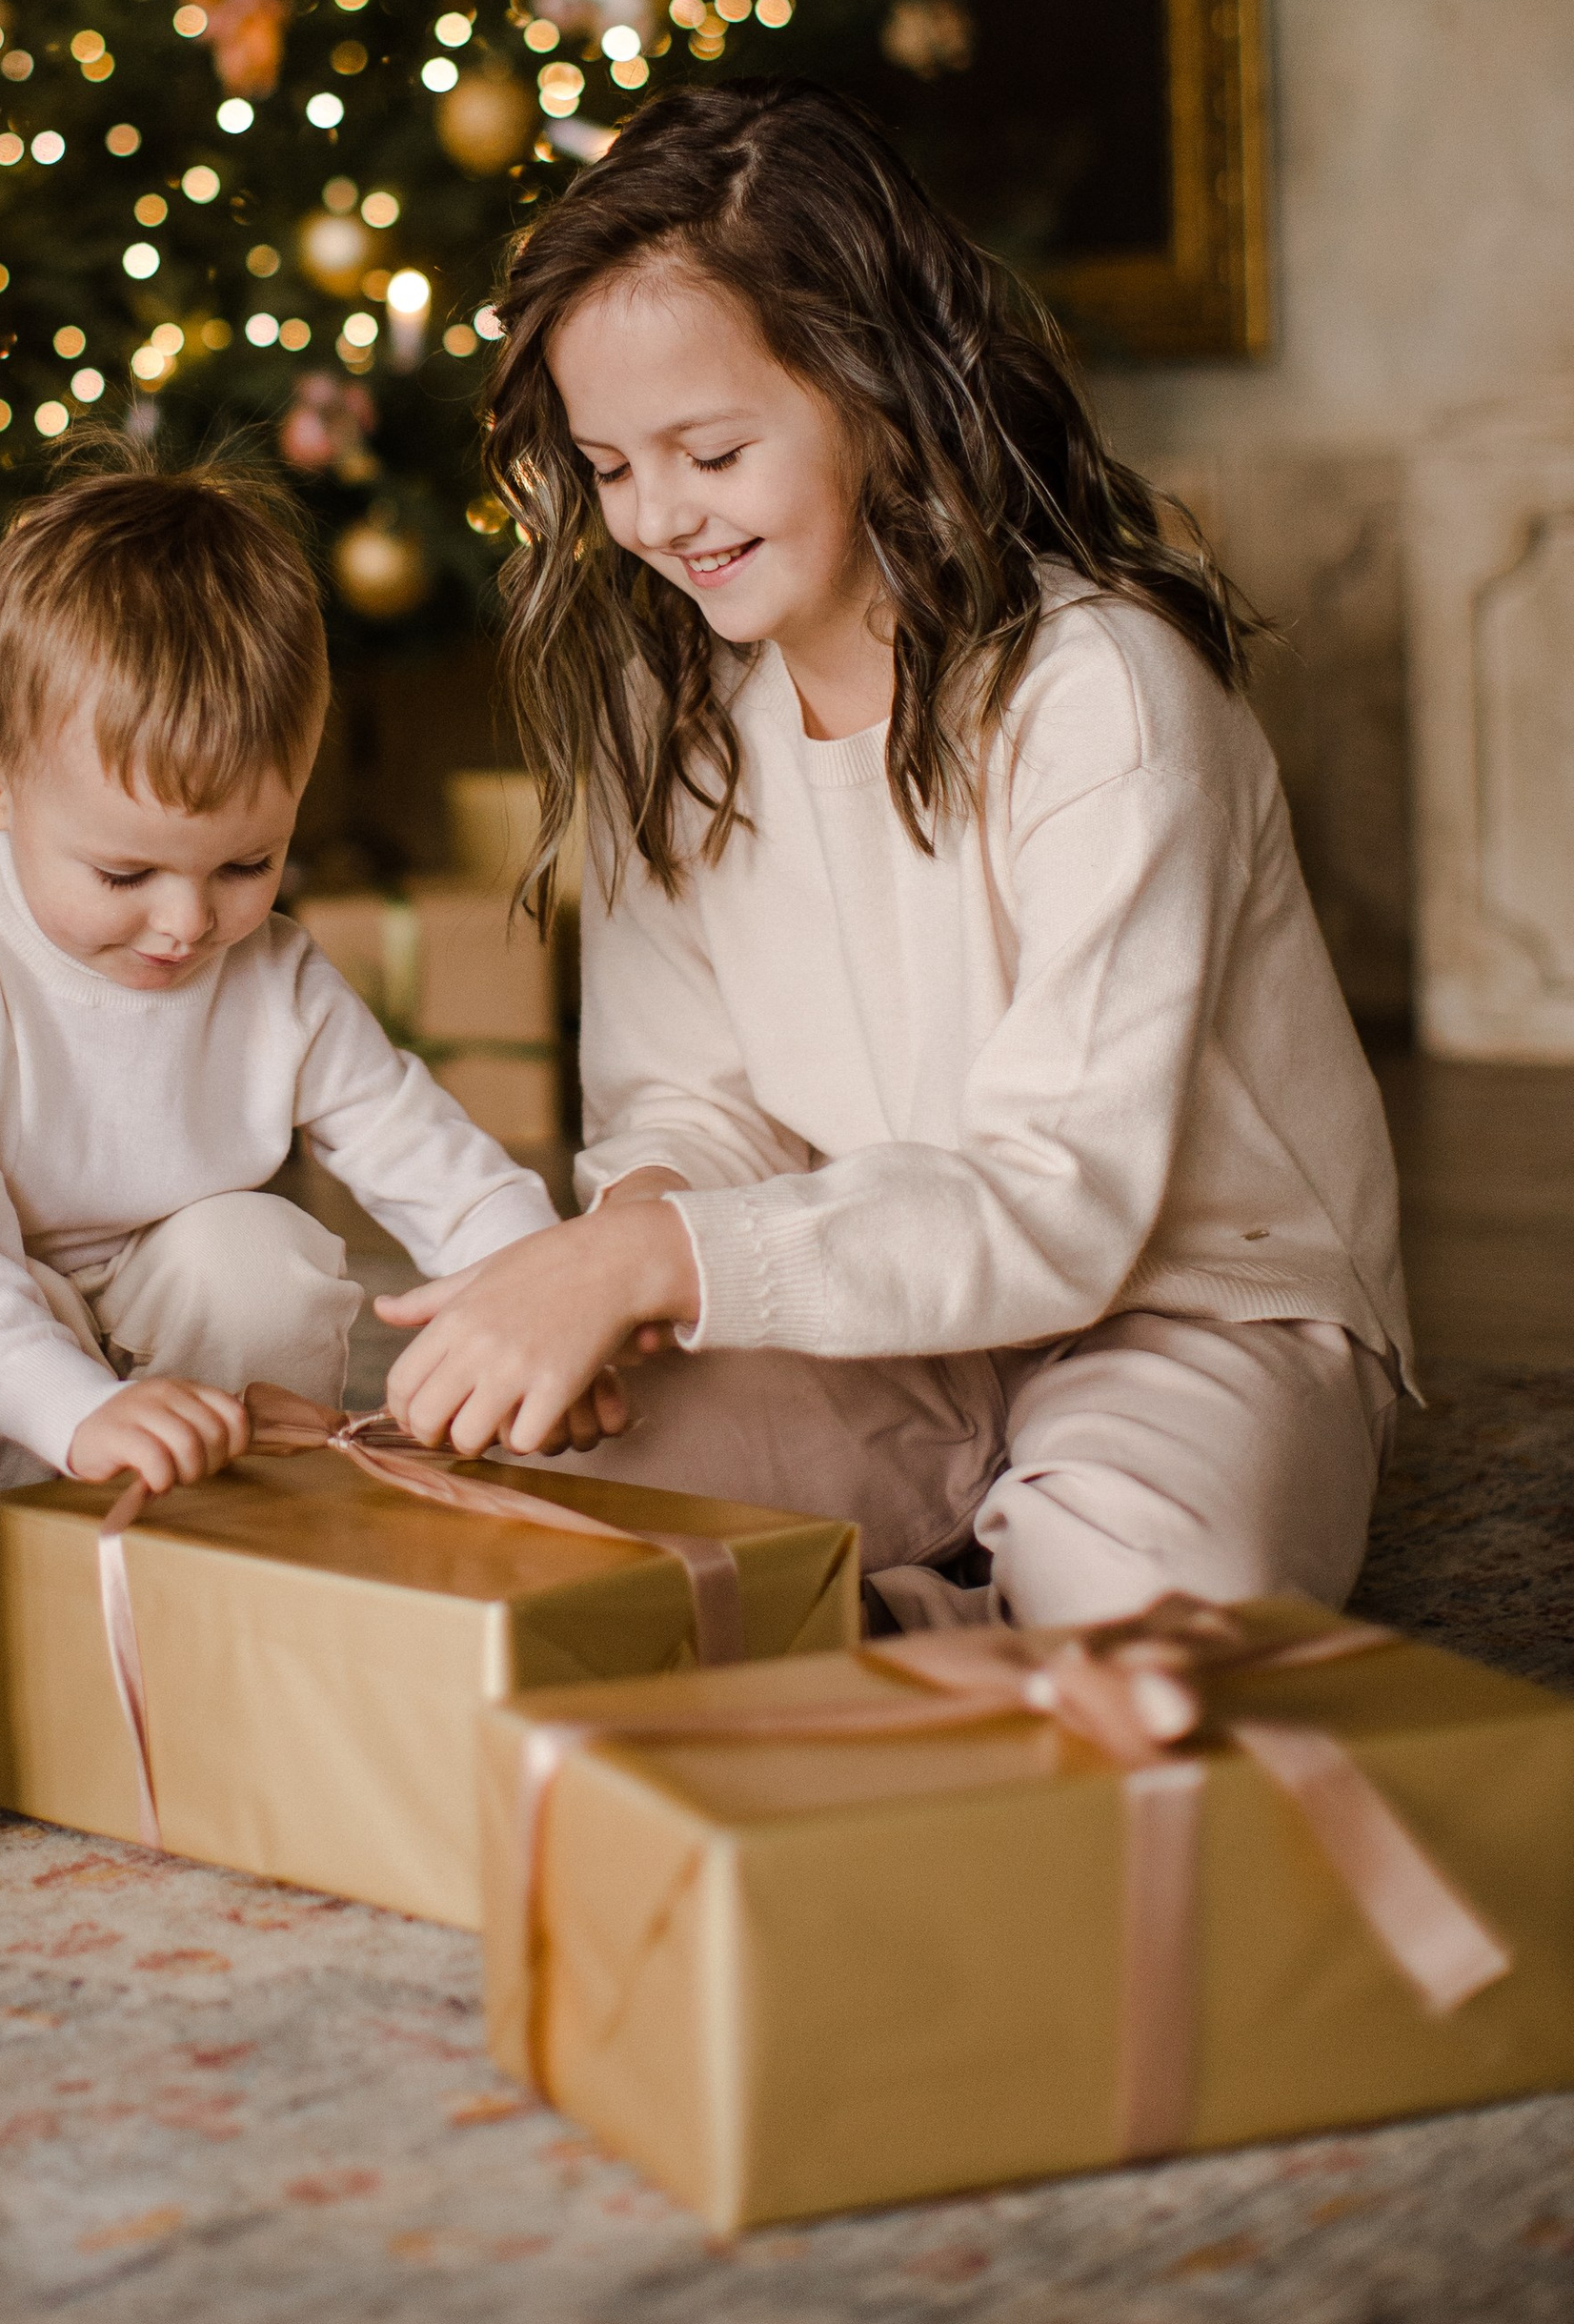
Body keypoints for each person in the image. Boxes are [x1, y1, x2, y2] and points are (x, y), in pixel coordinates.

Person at [375, 79, 1408, 1629]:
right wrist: (631, 1250)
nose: (657, 515)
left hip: (1190, 1307)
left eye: (711, 451)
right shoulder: (676, 718)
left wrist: (660, 1261)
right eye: (606, 466)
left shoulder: (1104, 695)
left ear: (872, 391)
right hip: (876, 1310)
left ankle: (927, 1615)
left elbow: (1064, 1205)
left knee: (1146, 1596)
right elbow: (684, 1101)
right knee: (514, 1498)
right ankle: (935, 1603)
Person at [0, 454, 558, 1742]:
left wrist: (544, 1294)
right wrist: (76, 1409)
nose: (190, 924)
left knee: (264, 1258)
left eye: (247, 861)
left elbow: (428, 1157)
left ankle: (193, 1561)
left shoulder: (277, 973)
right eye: (126, 871)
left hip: (138, 1314)